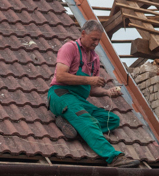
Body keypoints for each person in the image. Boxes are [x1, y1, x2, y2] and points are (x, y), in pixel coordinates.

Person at [47, 20, 140, 168]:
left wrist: (107, 92)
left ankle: (71, 125)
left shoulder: (95, 58)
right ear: (83, 33)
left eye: (98, 40)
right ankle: (113, 158)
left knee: (112, 119)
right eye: (94, 39)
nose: (96, 43)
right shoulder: (70, 48)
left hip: (79, 100)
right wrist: (89, 79)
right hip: (60, 95)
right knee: (88, 121)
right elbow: (61, 76)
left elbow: (90, 89)